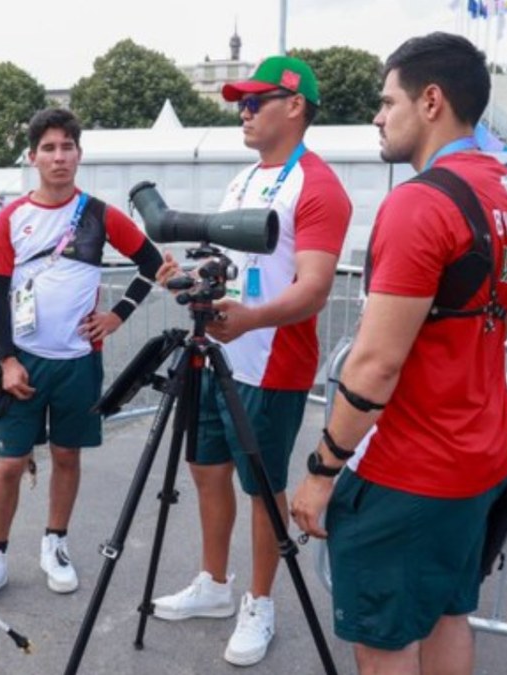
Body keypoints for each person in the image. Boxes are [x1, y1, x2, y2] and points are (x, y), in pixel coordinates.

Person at [290, 33, 507, 675]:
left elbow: (376, 364)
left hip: (412, 468)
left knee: (385, 644)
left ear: (430, 101)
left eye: (386, 101)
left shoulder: (419, 202)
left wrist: (321, 472)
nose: (377, 116)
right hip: (481, 455)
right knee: (445, 615)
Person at [150, 54, 352, 667]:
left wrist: (252, 319)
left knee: (263, 489)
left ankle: (260, 602)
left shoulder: (317, 186)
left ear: (294, 106)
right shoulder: (242, 180)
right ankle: (215, 583)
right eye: (240, 101)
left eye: (254, 100)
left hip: (272, 362)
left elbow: (314, 287)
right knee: (206, 470)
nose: (242, 110)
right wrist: (186, 278)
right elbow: (232, 267)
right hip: (218, 356)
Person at [0, 108, 164, 610]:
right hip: (26, 362)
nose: (58, 156)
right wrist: (6, 360)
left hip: (79, 362)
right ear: (33, 157)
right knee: (9, 464)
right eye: (48, 148)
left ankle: (55, 544)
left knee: (67, 457)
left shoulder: (99, 214)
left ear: (78, 154)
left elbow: (152, 264)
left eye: (67, 147)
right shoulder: (12, 216)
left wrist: (118, 315)